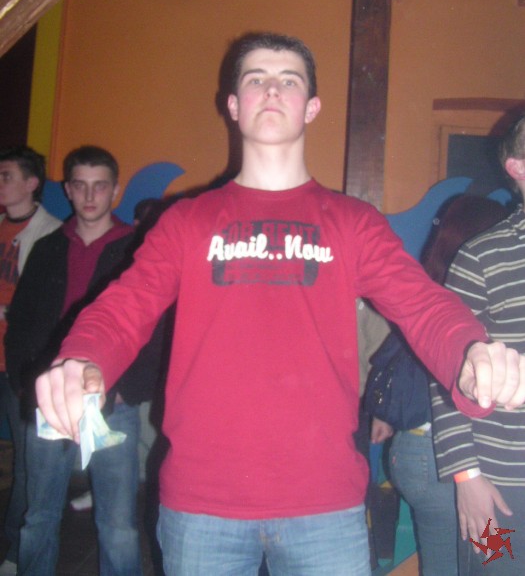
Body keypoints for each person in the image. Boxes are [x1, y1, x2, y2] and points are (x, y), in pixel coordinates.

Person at [34, 33, 525, 576]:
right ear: (233, 105)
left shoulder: (353, 223)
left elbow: (422, 305)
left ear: (311, 107)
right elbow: (125, 306)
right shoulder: (187, 221)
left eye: (288, 81)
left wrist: (469, 351)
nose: (271, 89)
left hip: (325, 506)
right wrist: (82, 356)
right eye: (256, 80)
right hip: (201, 505)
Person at [4, 146, 145, 576]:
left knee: (118, 525)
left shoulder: (137, 249)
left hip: (113, 403)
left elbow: (154, 326)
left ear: (115, 191)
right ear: (67, 190)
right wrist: (28, 382)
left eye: (99, 186)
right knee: (38, 516)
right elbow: (22, 322)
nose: (89, 196)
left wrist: (126, 390)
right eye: (80, 186)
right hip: (49, 400)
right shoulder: (49, 247)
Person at [367, 195, 508, 576]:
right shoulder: (477, 292)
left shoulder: (427, 290)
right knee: (494, 560)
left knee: (453, 563)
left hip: (413, 454)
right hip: (448, 462)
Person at [431, 113, 525, 575]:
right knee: (497, 569)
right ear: (518, 167)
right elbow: (445, 372)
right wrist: (466, 478)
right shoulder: (481, 255)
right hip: (499, 493)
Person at [0, 146, 61, 575]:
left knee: (26, 462)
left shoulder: (51, 234)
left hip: (16, 364)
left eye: (5, 176)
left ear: (32, 183)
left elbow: (44, 309)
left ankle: (14, 550)